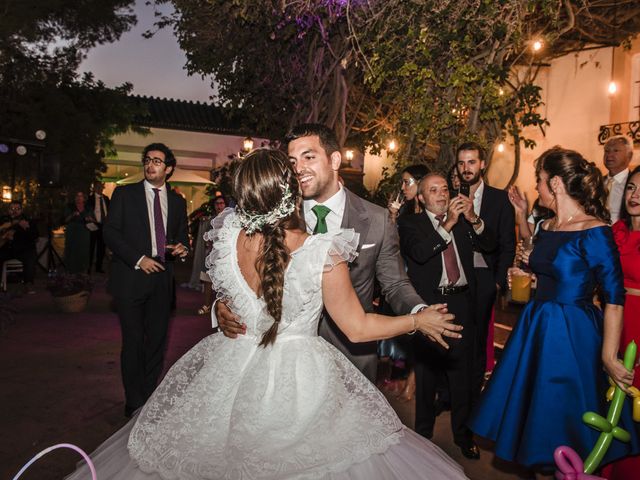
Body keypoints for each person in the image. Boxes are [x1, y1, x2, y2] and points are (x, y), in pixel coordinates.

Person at [67, 148, 468, 480]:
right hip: (301, 381)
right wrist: (418, 320)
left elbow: (228, 297)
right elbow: (357, 326)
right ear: (293, 194)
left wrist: (223, 308)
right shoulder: (320, 252)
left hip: (229, 368)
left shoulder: (227, 240)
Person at [215, 124, 457, 382]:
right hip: (280, 360)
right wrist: (224, 307)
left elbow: (395, 284)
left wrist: (419, 312)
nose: (298, 168)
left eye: (309, 157)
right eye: (292, 161)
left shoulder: (377, 219)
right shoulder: (278, 219)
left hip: (351, 357)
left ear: (335, 159)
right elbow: (251, 275)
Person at [469, 147, 639, 474]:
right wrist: (528, 277)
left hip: (573, 331)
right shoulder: (546, 227)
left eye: (541, 181)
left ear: (557, 184)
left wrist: (608, 357)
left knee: (568, 416)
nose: (538, 188)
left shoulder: (596, 231)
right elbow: (547, 268)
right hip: (535, 326)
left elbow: (614, 298)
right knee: (534, 414)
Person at [398, 173, 496, 460]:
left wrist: (474, 219)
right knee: (427, 375)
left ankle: (463, 435)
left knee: (462, 377)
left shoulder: (465, 221)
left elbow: (490, 245)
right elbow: (418, 253)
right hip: (430, 308)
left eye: (444, 189)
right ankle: (423, 435)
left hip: (463, 303)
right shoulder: (410, 224)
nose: (441, 194)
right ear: (421, 197)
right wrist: (449, 224)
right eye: (433, 190)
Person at [103, 143, 189, 418]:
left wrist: (182, 248)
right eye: (148, 160)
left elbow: (182, 237)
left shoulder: (177, 202)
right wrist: (139, 259)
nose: (150, 165)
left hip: (162, 279)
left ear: (169, 168)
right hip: (130, 278)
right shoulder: (125, 194)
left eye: (157, 161)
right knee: (133, 341)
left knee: (156, 342)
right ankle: (134, 399)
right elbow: (111, 232)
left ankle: (148, 395)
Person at [455, 142, 515, 403]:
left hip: (484, 276)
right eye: (461, 163)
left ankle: (473, 395)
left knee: (479, 340)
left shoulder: (499, 199)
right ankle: (451, 393)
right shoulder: (451, 196)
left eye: (471, 162)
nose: (466, 168)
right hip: (456, 276)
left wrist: (499, 282)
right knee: (455, 334)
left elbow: (507, 243)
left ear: (482, 164)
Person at [601, 165, 640, 479]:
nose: (635, 195)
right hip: (613, 317)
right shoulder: (615, 232)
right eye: (631, 187)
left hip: (638, 323)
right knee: (608, 401)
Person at [382, 163, 430, 399]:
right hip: (403, 269)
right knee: (404, 324)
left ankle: (414, 379)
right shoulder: (405, 211)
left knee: (421, 323)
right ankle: (403, 374)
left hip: (422, 270)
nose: (403, 187)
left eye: (407, 182)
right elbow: (392, 244)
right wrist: (391, 218)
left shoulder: (431, 210)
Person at [196, 195, 227, 315]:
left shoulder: (230, 219)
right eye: (217, 204)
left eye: (221, 203)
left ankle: (224, 308)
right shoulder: (210, 220)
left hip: (225, 255)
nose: (219, 206)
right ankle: (207, 305)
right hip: (212, 254)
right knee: (208, 281)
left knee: (225, 283)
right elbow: (206, 238)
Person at [0, 200, 38, 292]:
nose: (14, 211)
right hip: (7, 249)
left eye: (17, 209)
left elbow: (35, 235)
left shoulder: (28, 220)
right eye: (12, 208)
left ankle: (28, 283)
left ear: (21, 210)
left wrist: (26, 228)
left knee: (30, 254)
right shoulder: (3, 219)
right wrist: (5, 233)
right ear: (8, 210)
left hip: (23, 249)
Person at [603, 135, 633, 223]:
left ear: (629, 155)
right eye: (606, 151)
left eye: (615, 150)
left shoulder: (634, 184)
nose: (609, 155)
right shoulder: (596, 182)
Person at [63, 191, 95, 274]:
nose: (78, 198)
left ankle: (82, 269)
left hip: (84, 231)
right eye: (77, 196)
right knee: (72, 249)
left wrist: (90, 219)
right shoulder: (70, 206)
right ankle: (70, 269)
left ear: (84, 198)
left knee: (83, 250)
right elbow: (65, 220)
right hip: (72, 231)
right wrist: (72, 215)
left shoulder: (88, 207)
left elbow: (94, 220)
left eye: (81, 196)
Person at [88, 181, 110, 273]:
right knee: (91, 247)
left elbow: (109, 211)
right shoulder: (90, 199)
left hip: (104, 226)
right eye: (99, 187)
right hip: (93, 225)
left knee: (101, 248)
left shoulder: (106, 198)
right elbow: (87, 211)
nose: (101, 189)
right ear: (95, 188)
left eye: (101, 187)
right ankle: (89, 267)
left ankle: (98, 267)